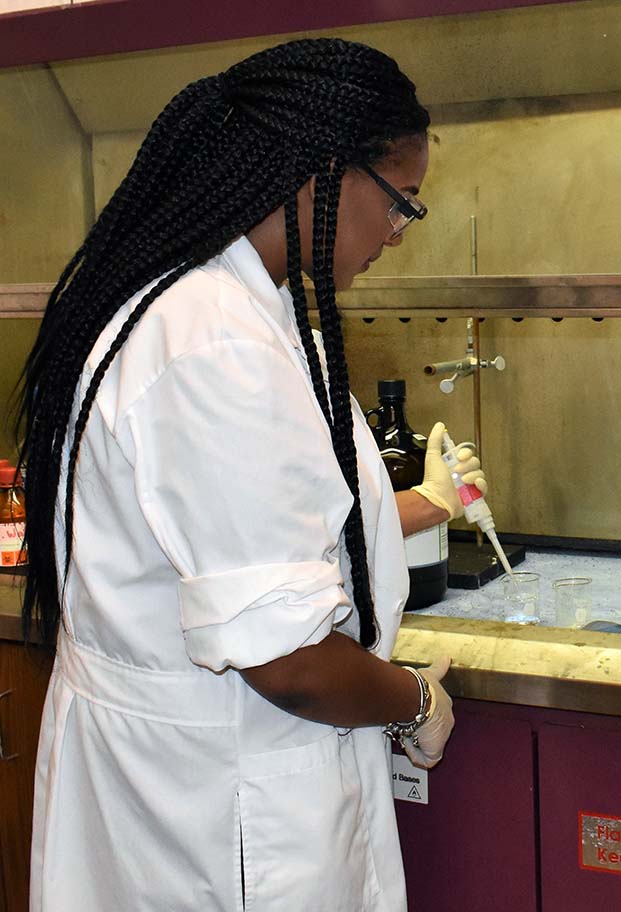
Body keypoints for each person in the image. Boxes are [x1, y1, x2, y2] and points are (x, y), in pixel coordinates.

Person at [17, 38, 487, 911]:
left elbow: (280, 530)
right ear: (320, 172)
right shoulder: (212, 338)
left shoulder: (230, 308)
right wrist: (414, 700)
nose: (396, 234)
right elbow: (290, 662)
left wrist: (420, 512)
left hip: (198, 787)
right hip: (220, 813)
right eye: (400, 204)